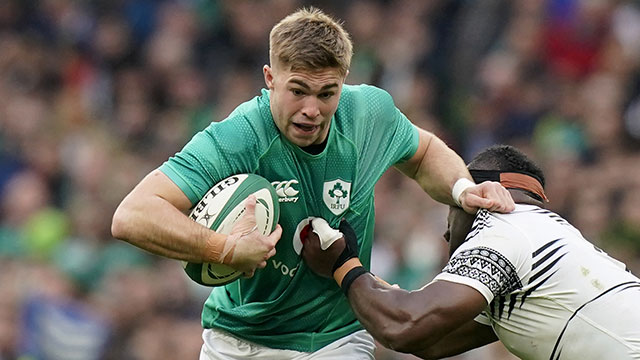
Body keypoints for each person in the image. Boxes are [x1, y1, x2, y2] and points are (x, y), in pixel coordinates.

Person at [110, 7, 514, 359]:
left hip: (335, 339)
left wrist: (463, 188)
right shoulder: (238, 137)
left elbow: (423, 151)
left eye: (326, 93)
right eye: (298, 91)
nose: (311, 110)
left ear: (344, 82)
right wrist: (226, 248)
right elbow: (132, 215)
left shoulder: (367, 115)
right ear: (270, 78)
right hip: (238, 339)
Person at [302, 144, 640, 359]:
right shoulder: (544, 234)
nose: (447, 230)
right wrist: (359, 277)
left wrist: (342, 265)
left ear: (478, 196)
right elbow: (432, 342)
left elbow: (405, 326)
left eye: (451, 206)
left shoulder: (503, 228)